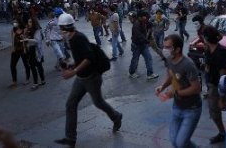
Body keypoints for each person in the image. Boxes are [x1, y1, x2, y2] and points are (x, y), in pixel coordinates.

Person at [54, 13, 123, 147]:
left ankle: (116, 116)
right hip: (81, 78)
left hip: (92, 78)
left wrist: (73, 72)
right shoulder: (71, 39)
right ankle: (70, 139)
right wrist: (71, 66)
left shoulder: (78, 38)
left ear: (67, 28)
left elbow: (89, 58)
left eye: (62, 29)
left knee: (98, 103)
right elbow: (81, 58)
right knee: (70, 105)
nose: (61, 32)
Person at [155, 34, 202, 148]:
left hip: (192, 109)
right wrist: (163, 86)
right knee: (174, 141)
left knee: (181, 143)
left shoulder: (188, 64)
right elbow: (171, 76)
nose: (165, 50)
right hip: (177, 106)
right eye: (164, 46)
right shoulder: (169, 60)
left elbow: (196, 88)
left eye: (168, 47)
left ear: (177, 49)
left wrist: (176, 93)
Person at [203, 25, 226, 144]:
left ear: (206, 38)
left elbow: (223, 77)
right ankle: (223, 133)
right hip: (211, 83)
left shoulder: (219, 53)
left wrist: (222, 97)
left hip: (217, 87)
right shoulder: (209, 49)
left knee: (217, 112)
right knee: (214, 112)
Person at [128, 10, 159, 80]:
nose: (147, 19)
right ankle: (132, 73)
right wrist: (147, 41)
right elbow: (139, 36)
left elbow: (151, 24)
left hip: (143, 45)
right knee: (135, 60)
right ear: (142, 17)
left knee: (148, 58)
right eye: (147, 18)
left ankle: (150, 74)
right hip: (136, 45)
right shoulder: (136, 25)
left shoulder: (144, 22)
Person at [23, 17, 46, 90]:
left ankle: (41, 80)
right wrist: (25, 35)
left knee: (38, 66)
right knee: (33, 66)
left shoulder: (37, 30)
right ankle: (36, 82)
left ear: (34, 23)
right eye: (28, 22)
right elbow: (26, 38)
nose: (29, 23)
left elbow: (37, 41)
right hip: (31, 50)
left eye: (30, 22)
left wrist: (27, 39)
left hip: (36, 51)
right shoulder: (29, 30)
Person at [9, 21, 30, 88]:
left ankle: (27, 79)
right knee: (12, 65)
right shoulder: (13, 30)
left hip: (23, 49)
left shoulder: (25, 30)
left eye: (15, 22)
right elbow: (12, 39)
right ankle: (14, 81)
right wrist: (12, 48)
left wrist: (23, 37)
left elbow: (27, 40)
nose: (14, 23)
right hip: (16, 50)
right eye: (13, 22)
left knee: (26, 64)